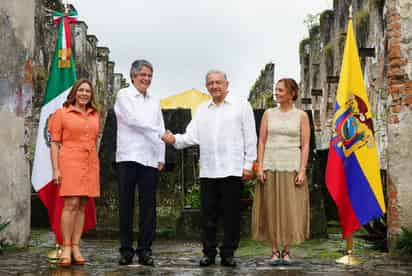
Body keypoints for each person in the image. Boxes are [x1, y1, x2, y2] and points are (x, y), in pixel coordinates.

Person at [162, 70, 257, 267]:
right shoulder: (202, 109)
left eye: (218, 82)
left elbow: (250, 138)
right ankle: (209, 252)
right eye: (211, 83)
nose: (214, 86)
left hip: (232, 169)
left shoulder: (241, 106)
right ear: (207, 86)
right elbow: (191, 136)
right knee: (208, 216)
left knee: (232, 215)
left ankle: (228, 253)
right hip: (209, 171)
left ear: (226, 84)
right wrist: (173, 139)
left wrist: (249, 165)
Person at [251, 78, 310, 265]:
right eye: (276, 90)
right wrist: (259, 165)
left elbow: (306, 144)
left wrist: (302, 170)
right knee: (272, 207)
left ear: (292, 94)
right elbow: (261, 141)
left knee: (289, 208)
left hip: (291, 165)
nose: (276, 93)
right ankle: (274, 250)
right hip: (270, 164)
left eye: (280, 90)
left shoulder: (301, 115)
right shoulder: (268, 114)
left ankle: (287, 250)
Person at [114, 59, 165, 266]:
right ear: (133, 76)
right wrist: (159, 132)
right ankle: (126, 250)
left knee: (149, 207)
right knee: (126, 205)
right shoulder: (124, 95)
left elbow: (160, 125)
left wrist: (161, 156)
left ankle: (145, 249)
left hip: (150, 158)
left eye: (149, 76)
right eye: (143, 75)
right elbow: (133, 120)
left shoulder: (154, 100)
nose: (146, 79)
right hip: (128, 156)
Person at [48, 79, 100, 267]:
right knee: (71, 203)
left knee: (83, 204)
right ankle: (66, 246)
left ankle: (77, 245)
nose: (84, 94)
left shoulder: (95, 115)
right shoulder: (62, 114)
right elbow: (54, 142)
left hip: (90, 162)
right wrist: (55, 169)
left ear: (91, 95)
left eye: (88, 91)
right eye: (81, 90)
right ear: (74, 93)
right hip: (69, 160)